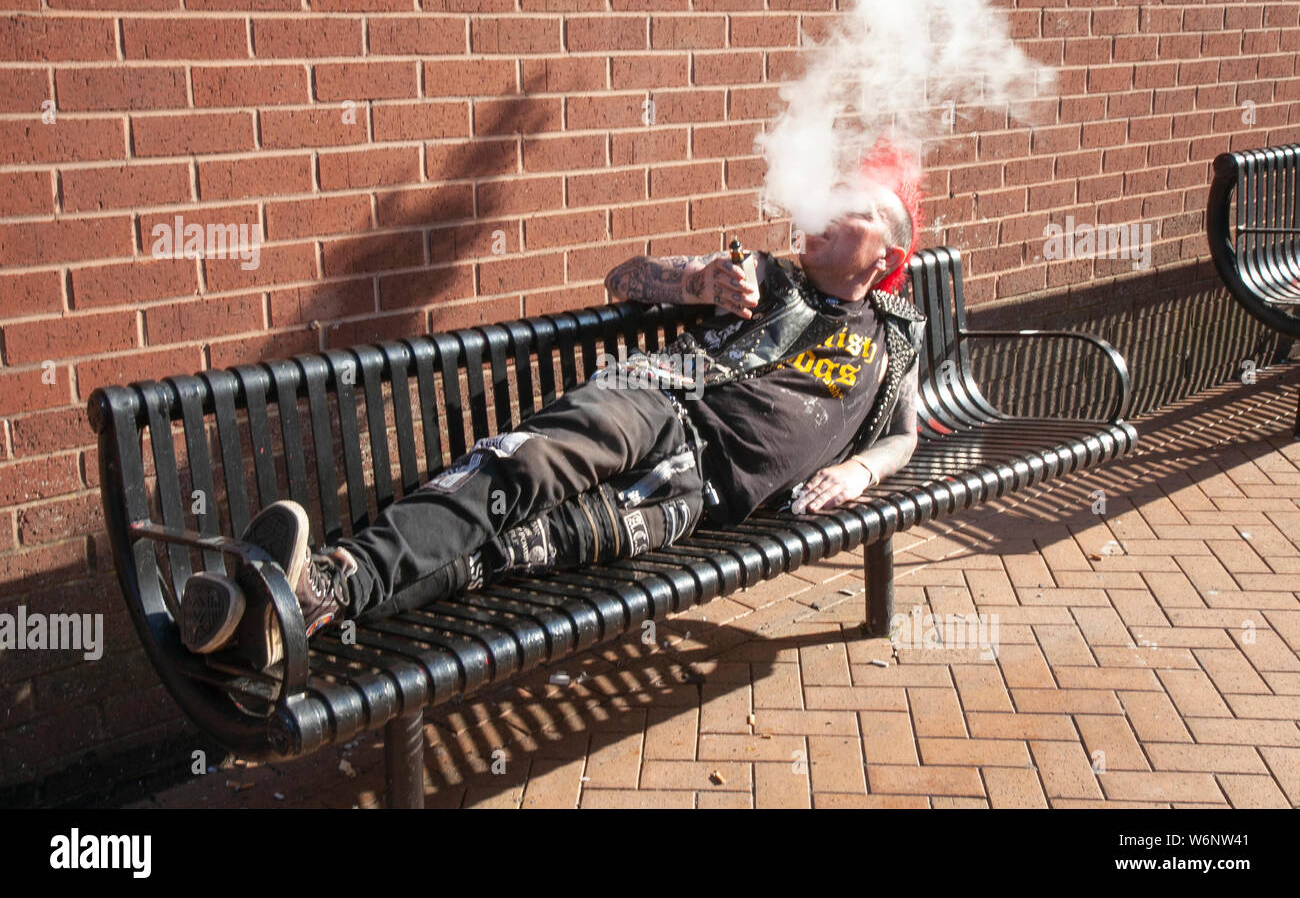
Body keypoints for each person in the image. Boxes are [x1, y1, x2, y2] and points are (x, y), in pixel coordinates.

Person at [178, 147, 929, 672]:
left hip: (694, 495)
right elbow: (625, 275)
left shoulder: (894, 341)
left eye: (857, 207)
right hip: (660, 399)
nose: (833, 204)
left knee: (512, 551)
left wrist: (861, 472)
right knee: (518, 468)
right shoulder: (766, 275)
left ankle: (294, 612)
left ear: (887, 258)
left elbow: (904, 435)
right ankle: (336, 574)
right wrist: (699, 281)